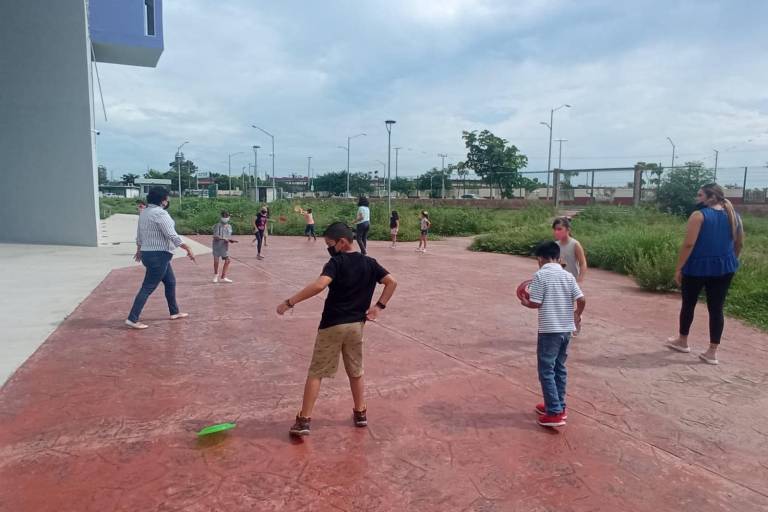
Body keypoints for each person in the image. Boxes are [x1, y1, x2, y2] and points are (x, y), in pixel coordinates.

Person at [276, 222, 397, 437]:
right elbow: (391, 282)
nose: (329, 248)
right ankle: (360, 413)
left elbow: (319, 285)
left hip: (332, 325)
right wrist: (379, 307)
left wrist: (289, 302)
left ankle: (304, 420)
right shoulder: (370, 263)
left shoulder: (336, 262)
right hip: (356, 326)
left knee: (316, 372)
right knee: (356, 371)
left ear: (342, 242)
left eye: (330, 244)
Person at [666, 183, 744, 365]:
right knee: (716, 308)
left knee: (688, 304)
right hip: (724, 268)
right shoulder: (734, 215)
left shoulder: (698, 215)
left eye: (700, 195)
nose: (697, 198)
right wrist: (730, 261)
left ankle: (683, 341)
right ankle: (712, 352)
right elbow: (739, 243)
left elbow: (688, 244)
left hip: (697, 267)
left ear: (711, 197)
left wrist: (679, 268)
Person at [521, 241, 586, 428]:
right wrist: (577, 314)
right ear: (558, 257)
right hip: (565, 330)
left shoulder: (540, 275)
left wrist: (526, 302)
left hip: (549, 331)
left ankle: (554, 413)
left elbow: (536, 302)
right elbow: (581, 299)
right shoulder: (568, 275)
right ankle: (558, 405)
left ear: (540, 259)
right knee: (559, 368)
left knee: (546, 370)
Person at [126, 187, 195, 329]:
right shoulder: (161, 214)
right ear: (162, 200)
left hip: (149, 254)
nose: (168, 200)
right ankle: (132, 318)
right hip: (159, 255)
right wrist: (187, 247)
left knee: (170, 282)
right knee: (147, 287)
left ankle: (174, 312)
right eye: (167, 198)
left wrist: (139, 250)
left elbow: (139, 234)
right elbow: (171, 234)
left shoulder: (144, 212)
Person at [552, 217, 587, 283]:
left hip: (571, 281)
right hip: (557, 282)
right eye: (555, 229)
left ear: (568, 230)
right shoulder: (555, 245)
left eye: (559, 229)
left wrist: (579, 280)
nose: (556, 232)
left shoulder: (575, 244)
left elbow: (583, 263)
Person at [212, 210, 238, 283]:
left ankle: (223, 276)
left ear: (229, 217)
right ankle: (216, 275)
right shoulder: (217, 226)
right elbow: (215, 236)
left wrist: (230, 240)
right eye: (224, 216)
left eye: (227, 216)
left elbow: (228, 237)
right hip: (217, 246)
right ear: (221, 217)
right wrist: (224, 239)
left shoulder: (229, 226)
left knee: (227, 260)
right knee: (216, 261)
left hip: (224, 246)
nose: (225, 218)